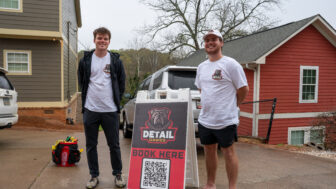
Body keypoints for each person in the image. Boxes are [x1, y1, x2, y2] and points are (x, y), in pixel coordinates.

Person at [195, 30, 249, 189]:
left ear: (221, 42)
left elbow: (243, 89)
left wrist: (234, 104)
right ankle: (210, 184)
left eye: (214, 39)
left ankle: (232, 186)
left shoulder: (231, 64)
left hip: (226, 120)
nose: (210, 42)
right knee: (209, 152)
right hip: (205, 120)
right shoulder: (201, 67)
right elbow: (201, 89)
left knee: (228, 153)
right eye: (207, 40)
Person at [78, 27, 126, 189]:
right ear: (94, 40)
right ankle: (94, 176)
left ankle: (118, 174)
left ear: (109, 41)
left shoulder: (115, 61)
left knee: (114, 145)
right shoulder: (85, 60)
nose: (102, 41)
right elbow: (82, 81)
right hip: (91, 109)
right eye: (99, 38)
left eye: (105, 39)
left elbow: (121, 83)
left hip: (110, 110)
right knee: (91, 145)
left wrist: (116, 100)